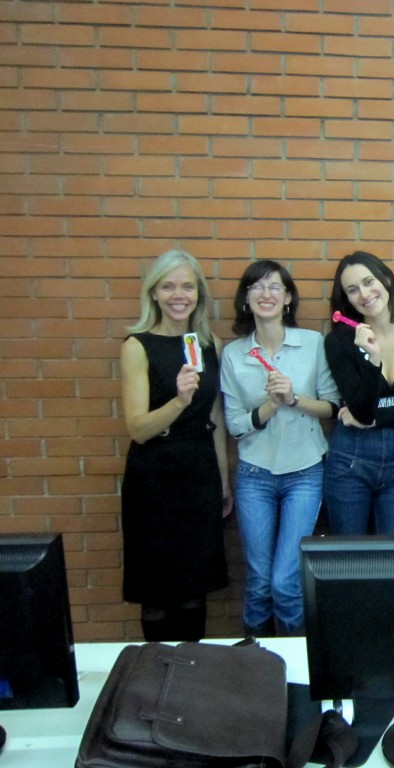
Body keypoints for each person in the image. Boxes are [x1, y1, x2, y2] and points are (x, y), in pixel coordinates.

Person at [220, 260, 340, 637]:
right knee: (258, 584)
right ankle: (254, 676)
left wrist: (293, 398)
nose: (266, 294)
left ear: (288, 297)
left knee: (285, 584)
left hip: (305, 472)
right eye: (257, 287)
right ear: (246, 299)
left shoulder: (312, 344)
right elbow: (236, 425)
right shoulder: (234, 354)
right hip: (255, 474)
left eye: (275, 287)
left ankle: (298, 677)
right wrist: (270, 406)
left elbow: (332, 406)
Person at [120, 249, 231, 641]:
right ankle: (156, 683)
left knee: (193, 591)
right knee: (157, 593)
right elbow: (138, 428)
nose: (177, 294)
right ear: (154, 293)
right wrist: (178, 401)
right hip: (154, 475)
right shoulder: (138, 346)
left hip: (198, 470)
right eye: (168, 286)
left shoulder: (209, 344)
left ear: (198, 293)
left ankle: (190, 677)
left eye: (186, 286)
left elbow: (214, 416)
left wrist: (223, 481)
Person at [323, 251, 394, 534]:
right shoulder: (339, 341)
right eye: (352, 290)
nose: (364, 293)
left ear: (386, 278)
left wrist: (378, 418)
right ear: (346, 299)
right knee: (349, 559)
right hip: (350, 456)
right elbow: (361, 409)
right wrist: (373, 361)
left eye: (368, 281)